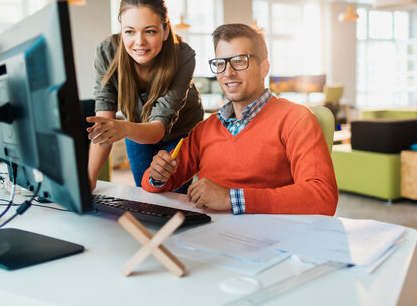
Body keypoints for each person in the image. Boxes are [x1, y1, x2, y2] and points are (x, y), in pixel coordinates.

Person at [141, 23, 338, 215]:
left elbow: (322, 196)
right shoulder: (205, 129)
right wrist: (157, 175)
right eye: (220, 63)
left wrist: (231, 199)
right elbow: (153, 184)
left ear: (264, 68)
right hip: (209, 236)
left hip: (270, 240)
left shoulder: (296, 119)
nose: (228, 73)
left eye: (239, 61)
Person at [87, 0, 204, 191]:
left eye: (150, 31)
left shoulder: (183, 56)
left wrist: (122, 128)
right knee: (145, 194)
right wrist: (88, 182)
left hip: (180, 132)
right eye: (129, 31)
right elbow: (103, 126)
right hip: (137, 128)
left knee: (172, 195)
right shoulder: (108, 52)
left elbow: (159, 128)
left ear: (165, 31)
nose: (139, 41)